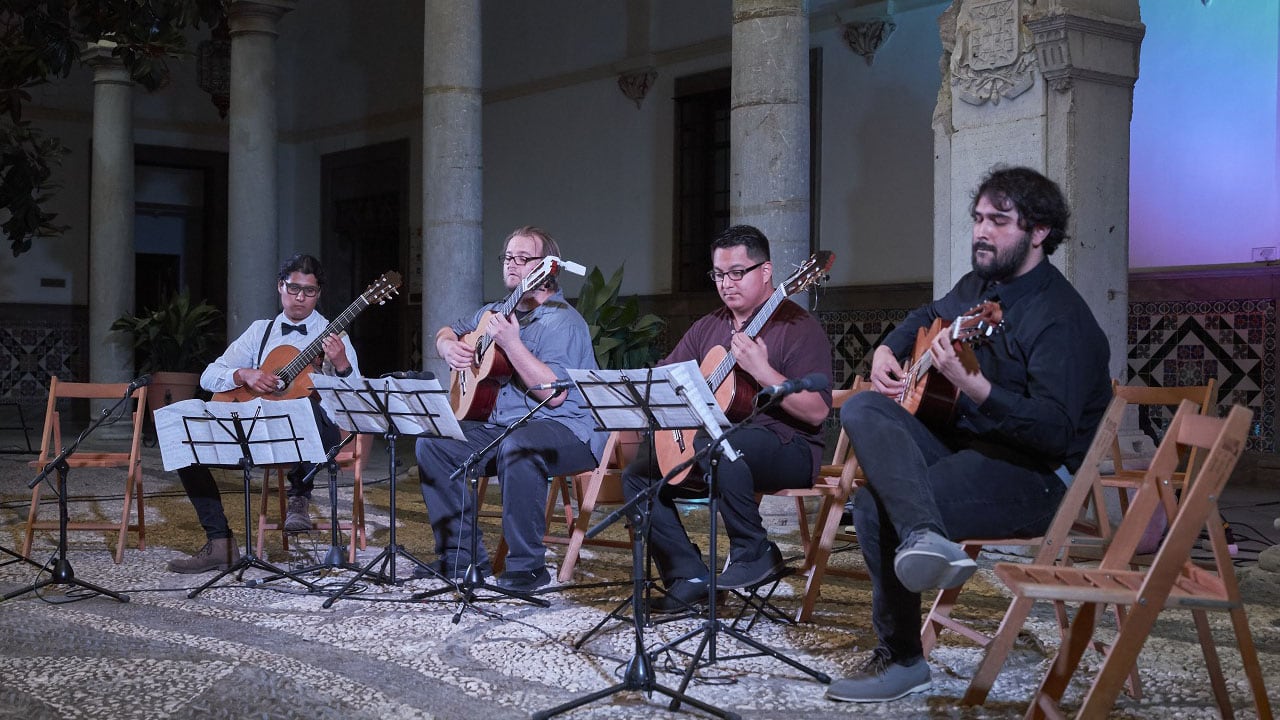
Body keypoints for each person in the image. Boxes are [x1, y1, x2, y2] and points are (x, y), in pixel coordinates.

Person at [825, 167, 1111, 703]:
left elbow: (1053, 433)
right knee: (864, 406)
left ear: (1039, 231)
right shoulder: (979, 287)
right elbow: (928, 314)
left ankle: (902, 659)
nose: (982, 231)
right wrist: (889, 348)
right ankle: (927, 537)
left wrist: (974, 387)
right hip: (966, 448)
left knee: (872, 506)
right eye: (979, 218)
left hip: (1035, 476)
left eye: (999, 221)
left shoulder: (1062, 319)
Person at [622, 224, 833, 613]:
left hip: (789, 447)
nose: (726, 283)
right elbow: (667, 380)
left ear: (766, 272)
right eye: (719, 274)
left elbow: (818, 411)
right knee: (639, 473)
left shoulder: (798, 328)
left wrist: (764, 370)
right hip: (713, 447)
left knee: (723, 446)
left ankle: (755, 551)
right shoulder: (709, 326)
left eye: (737, 272)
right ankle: (688, 578)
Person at [415, 226, 605, 593]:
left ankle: (527, 567)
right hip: (503, 426)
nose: (512, 265)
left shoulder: (563, 321)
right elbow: (448, 331)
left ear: (546, 269)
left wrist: (512, 344)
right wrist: (447, 348)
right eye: (508, 257)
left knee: (519, 445)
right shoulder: (494, 312)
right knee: (432, 444)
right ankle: (461, 558)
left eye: (523, 258)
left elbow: (554, 396)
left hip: (567, 429)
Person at [166, 254, 359, 573]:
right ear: (280, 286)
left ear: (319, 294)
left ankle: (300, 495)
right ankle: (220, 543)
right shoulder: (260, 332)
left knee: (307, 403)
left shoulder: (334, 337)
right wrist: (244, 375)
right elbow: (208, 376)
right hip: (252, 431)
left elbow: (354, 401)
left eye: (309, 291)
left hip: (311, 440)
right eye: (294, 288)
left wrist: (341, 366)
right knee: (183, 445)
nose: (300, 297)